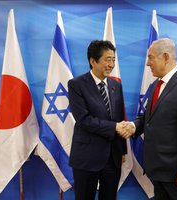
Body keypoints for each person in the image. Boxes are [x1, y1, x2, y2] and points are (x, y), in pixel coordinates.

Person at [127, 38, 177, 200]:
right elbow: (149, 118)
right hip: (158, 171)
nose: (148, 63)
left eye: (151, 57)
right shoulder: (156, 85)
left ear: (166, 57)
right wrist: (133, 127)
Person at [68, 40, 128, 200]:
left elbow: (120, 117)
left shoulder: (116, 85)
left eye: (114, 59)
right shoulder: (76, 85)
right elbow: (84, 120)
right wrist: (115, 127)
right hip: (87, 157)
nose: (112, 64)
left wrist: (122, 150)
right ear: (92, 61)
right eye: (108, 59)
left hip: (112, 157)